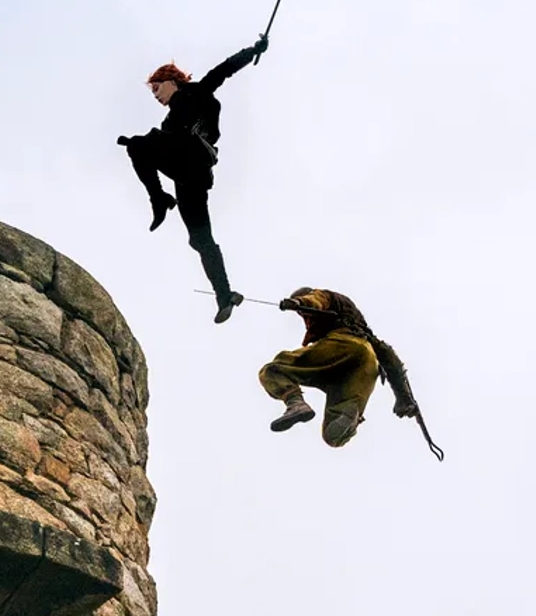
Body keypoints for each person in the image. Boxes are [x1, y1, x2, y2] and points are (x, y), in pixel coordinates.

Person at [117, 36, 265, 321]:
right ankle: (225, 295)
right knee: (200, 239)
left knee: (139, 144)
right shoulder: (168, 122)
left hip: (194, 153)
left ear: (172, 80)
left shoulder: (196, 92)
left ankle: (159, 200)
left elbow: (224, 69)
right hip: (188, 178)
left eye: (158, 89)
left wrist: (253, 50)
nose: (157, 97)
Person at [257, 287, 426, 449]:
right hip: (366, 363)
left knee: (273, 370)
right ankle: (349, 416)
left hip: (343, 346)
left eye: (301, 314)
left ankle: (295, 404)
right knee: (333, 437)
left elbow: (315, 300)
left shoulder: (323, 295)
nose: (302, 317)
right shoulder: (368, 335)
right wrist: (403, 398)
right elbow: (392, 362)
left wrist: (298, 302)